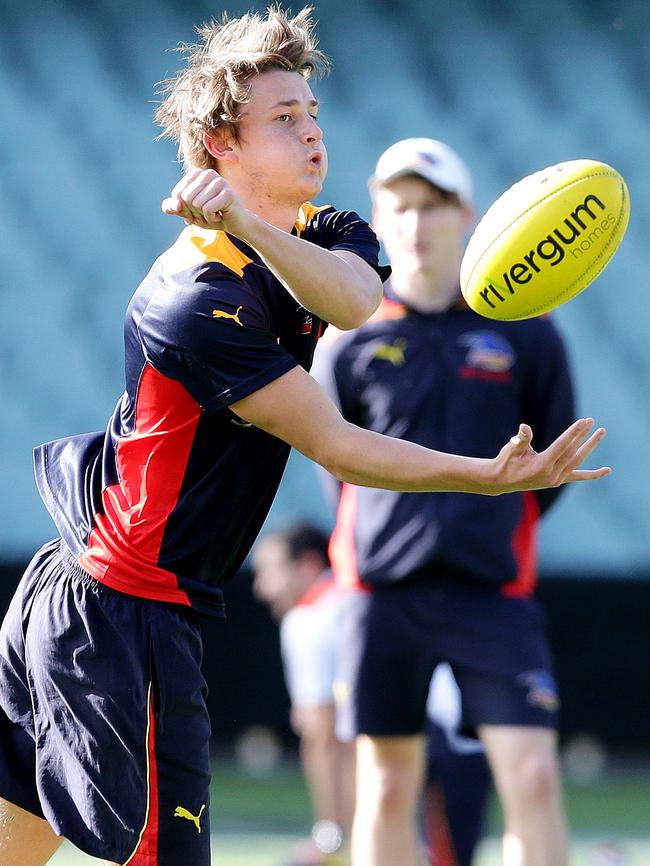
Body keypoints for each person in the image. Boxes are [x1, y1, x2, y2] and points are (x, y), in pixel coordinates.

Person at [0, 5, 609, 863]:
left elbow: (356, 302)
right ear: (221, 145)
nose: (313, 132)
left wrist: (250, 223)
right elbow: (337, 445)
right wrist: (488, 476)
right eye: (283, 119)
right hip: (120, 608)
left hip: (117, 601)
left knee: (18, 840)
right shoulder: (194, 302)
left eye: (312, 111)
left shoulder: (320, 234)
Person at [312, 137, 589, 866]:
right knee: (387, 784)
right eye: (400, 206)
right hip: (380, 590)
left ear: (468, 214)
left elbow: (548, 463)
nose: (416, 222)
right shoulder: (351, 335)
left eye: (432, 205)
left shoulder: (526, 330)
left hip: (492, 589)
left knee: (531, 774)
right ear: (378, 215)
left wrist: (494, 522)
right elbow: (333, 458)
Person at [252, 524, 354, 866]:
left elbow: (322, 735)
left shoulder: (309, 618)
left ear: (308, 566)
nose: (261, 589)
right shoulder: (353, 600)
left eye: (271, 571)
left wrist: (331, 838)